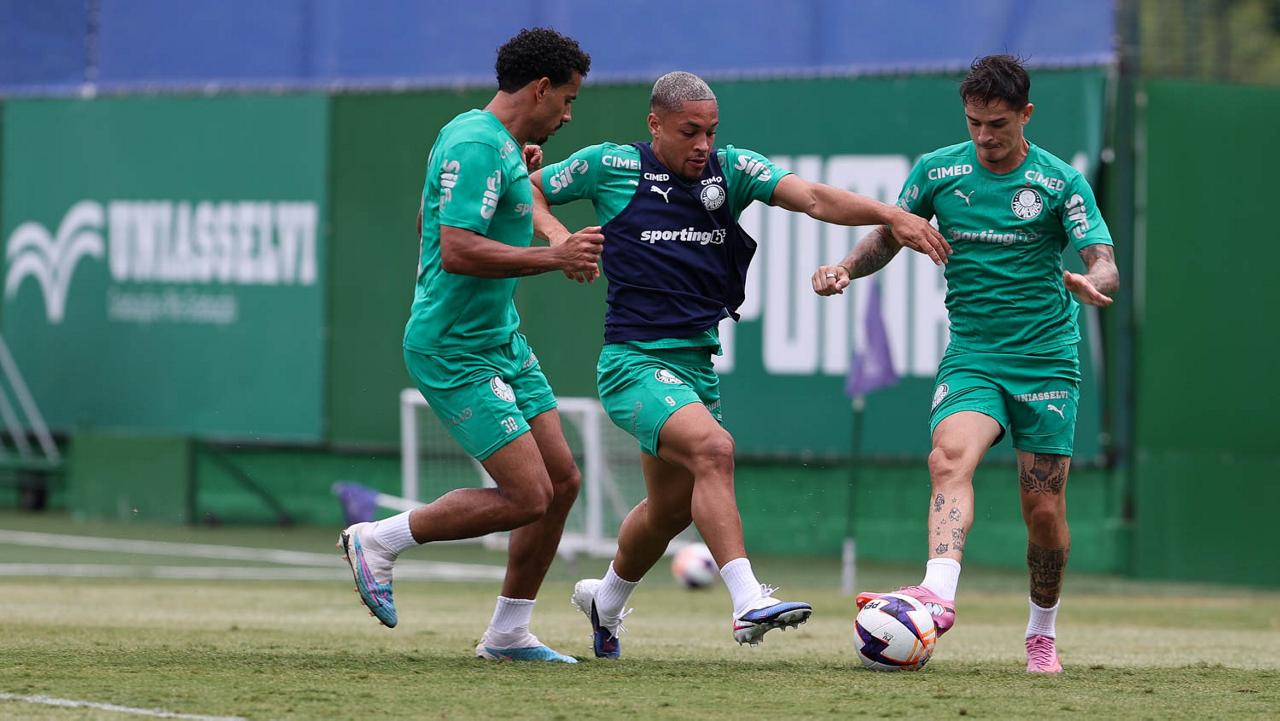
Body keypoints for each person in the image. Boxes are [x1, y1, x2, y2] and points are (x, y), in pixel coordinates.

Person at [529, 71, 950, 658]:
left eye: (711, 131)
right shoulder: (610, 165)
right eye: (689, 132)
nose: (704, 144)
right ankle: (748, 599)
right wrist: (554, 236)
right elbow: (528, 188)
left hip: (695, 364)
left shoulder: (735, 170)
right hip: (633, 364)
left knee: (671, 508)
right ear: (655, 125)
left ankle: (606, 597)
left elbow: (815, 198)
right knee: (715, 450)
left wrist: (894, 216)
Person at [811, 54, 1119, 674]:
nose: (984, 135)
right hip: (974, 356)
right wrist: (845, 266)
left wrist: (1092, 278)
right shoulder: (937, 171)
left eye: (998, 123)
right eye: (975, 121)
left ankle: (1041, 631)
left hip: (1047, 363)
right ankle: (939, 596)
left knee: (1044, 513)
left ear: (1026, 114)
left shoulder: (1060, 182)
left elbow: (1104, 259)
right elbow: (890, 233)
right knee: (949, 457)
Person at [338, 28, 603, 664]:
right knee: (527, 497)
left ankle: (508, 633)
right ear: (539, 88)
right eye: (566, 100)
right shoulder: (476, 142)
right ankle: (379, 540)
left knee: (563, 483)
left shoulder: (502, 145)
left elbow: (471, 211)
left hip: (501, 340)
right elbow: (456, 250)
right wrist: (553, 255)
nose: (568, 115)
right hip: (453, 348)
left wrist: (533, 196)